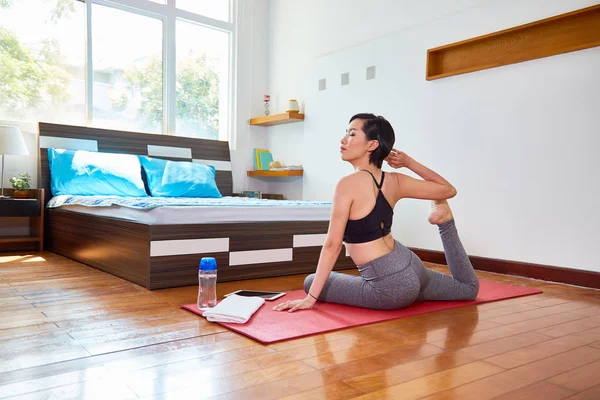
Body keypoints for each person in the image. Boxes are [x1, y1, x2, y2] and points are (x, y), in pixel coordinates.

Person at [273, 113, 479, 313]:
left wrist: (311, 299)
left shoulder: (347, 185)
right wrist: (408, 163)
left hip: (391, 288)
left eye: (352, 134)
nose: (343, 139)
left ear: (372, 145)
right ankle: (445, 222)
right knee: (468, 288)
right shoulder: (395, 181)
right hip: (411, 265)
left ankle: (441, 223)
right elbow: (447, 190)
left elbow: (332, 245)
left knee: (311, 282)